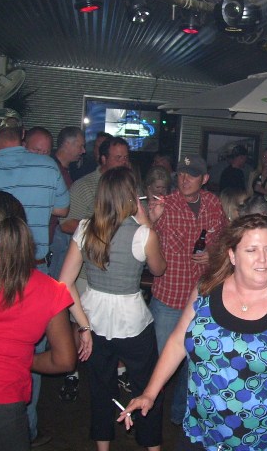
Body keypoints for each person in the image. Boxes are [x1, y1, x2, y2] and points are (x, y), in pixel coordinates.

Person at [119, 214, 267, 450]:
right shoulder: (206, 290)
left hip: (266, 440)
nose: (263, 258)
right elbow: (178, 341)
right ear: (232, 255)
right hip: (201, 433)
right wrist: (149, 393)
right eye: (251, 250)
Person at [0, 109, 69, 445]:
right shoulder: (47, 167)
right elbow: (62, 210)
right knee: (29, 349)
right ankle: (27, 428)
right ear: (23, 133)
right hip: (34, 270)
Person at [59, 167, 167, 451]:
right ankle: (152, 446)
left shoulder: (85, 227)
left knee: (100, 390)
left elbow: (64, 283)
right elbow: (159, 269)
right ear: (132, 196)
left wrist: (83, 326)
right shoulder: (143, 234)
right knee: (147, 389)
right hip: (133, 323)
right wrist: (149, 224)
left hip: (95, 321)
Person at [148, 154, 226, 424]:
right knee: (160, 362)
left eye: (191, 175)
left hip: (202, 300)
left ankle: (180, 416)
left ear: (204, 179)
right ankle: (149, 416)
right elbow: (144, 241)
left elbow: (224, 239)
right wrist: (151, 220)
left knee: (194, 362)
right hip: (169, 297)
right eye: (181, 174)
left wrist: (213, 253)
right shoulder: (164, 205)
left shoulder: (213, 204)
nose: (184, 179)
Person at [58, 136, 131, 402]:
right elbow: (66, 223)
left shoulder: (129, 185)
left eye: (126, 157)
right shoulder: (85, 186)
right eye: (118, 158)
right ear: (103, 159)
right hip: (86, 272)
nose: (124, 162)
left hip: (118, 272)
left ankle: (117, 370)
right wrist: (100, 226)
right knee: (81, 324)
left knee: (116, 325)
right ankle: (73, 372)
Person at [48, 126, 86, 280]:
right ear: (67, 144)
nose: (83, 150)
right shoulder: (52, 169)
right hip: (54, 235)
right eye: (80, 146)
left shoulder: (69, 170)